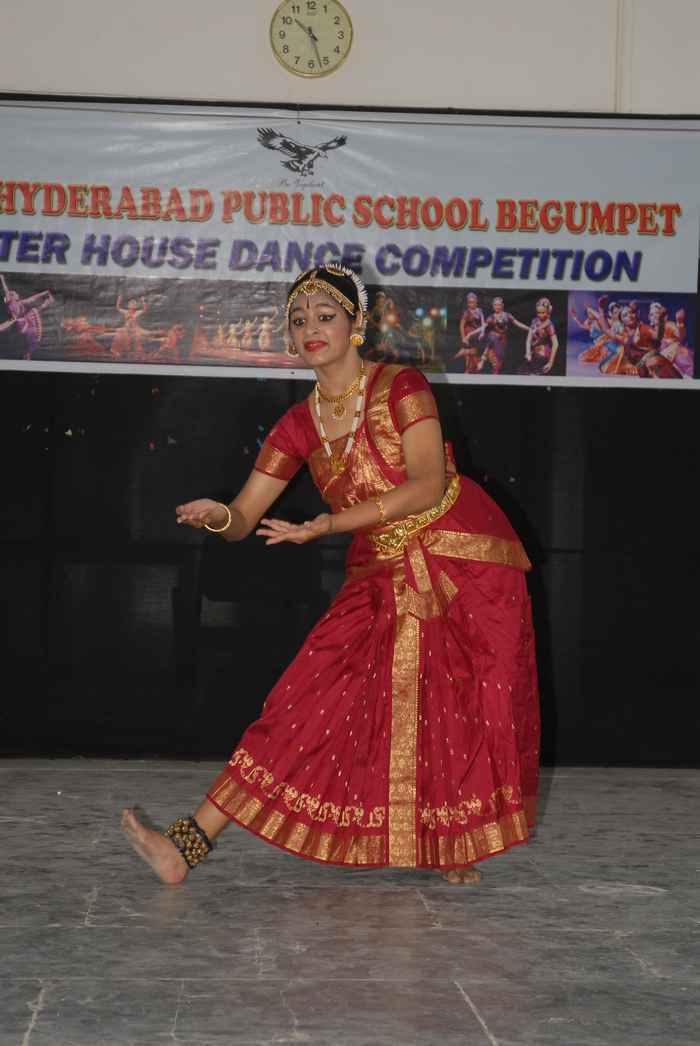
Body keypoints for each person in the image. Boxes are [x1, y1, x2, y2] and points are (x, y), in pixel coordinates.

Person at [122, 263, 540, 886]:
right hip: (379, 569)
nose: (311, 328)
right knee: (300, 701)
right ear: (289, 338)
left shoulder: (402, 387)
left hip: (462, 563)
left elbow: (427, 484)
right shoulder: (297, 425)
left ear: (356, 324)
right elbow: (244, 517)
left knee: (455, 706)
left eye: (325, 316)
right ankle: (184, 847)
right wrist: (220, 516)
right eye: (298, 320)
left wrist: (329, 524)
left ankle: (452, 843)